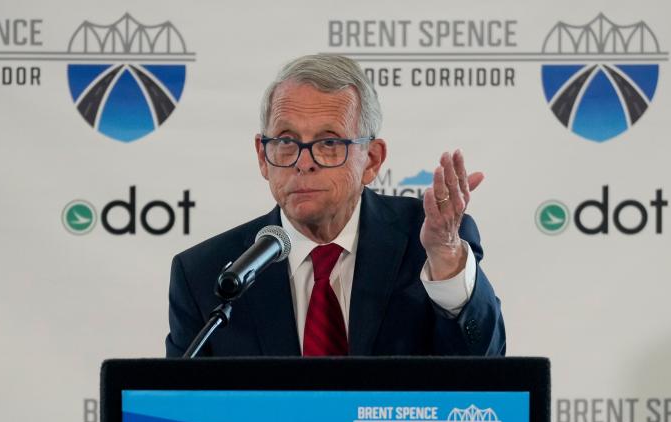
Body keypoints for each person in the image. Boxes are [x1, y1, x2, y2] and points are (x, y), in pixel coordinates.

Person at [165, 54, 505, 357]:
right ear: (262, 156)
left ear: (371, 160)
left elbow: (488, 370)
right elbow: (180, 413)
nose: (304, 162)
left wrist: (446, 260)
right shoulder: (206, 276)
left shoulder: (428, 244)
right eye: (286, 141)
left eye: (328, 142)